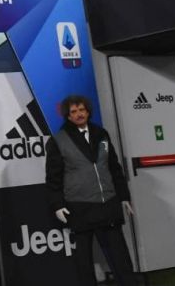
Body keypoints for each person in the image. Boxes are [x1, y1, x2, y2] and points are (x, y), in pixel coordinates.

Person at [45, 95, 137, 286]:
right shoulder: (58, 141)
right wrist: (57, 205)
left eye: (82, 110)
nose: (79, 114)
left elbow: (114, 168)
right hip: (79, 206)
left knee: (120, 254)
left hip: (108, 203)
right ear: (68, 116)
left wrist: (124, 196)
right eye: (74, 111)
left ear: (88, 112)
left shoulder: (101, 134)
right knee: (83, 258)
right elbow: (53, 178)